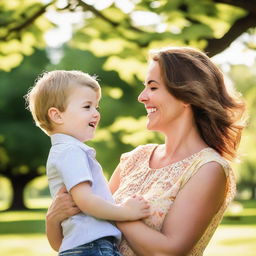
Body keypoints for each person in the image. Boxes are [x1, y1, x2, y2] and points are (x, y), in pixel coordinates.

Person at [45, 47, 246, 256]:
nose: (142, 97)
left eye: (153, 87)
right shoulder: (134, 159)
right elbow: (81, 241)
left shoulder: (208, 169)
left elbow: (167, 253)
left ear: (186, 95)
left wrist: (117, 213)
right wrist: (53, 218)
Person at [25, 70, 151, 256]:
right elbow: (86, 201)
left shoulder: (64, 151)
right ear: (57, 115)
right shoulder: (71, 151)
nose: (96, 114)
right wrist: (127, 212)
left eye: (96, 107)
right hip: (93, 247)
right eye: (87, 107)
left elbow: (60, 241)